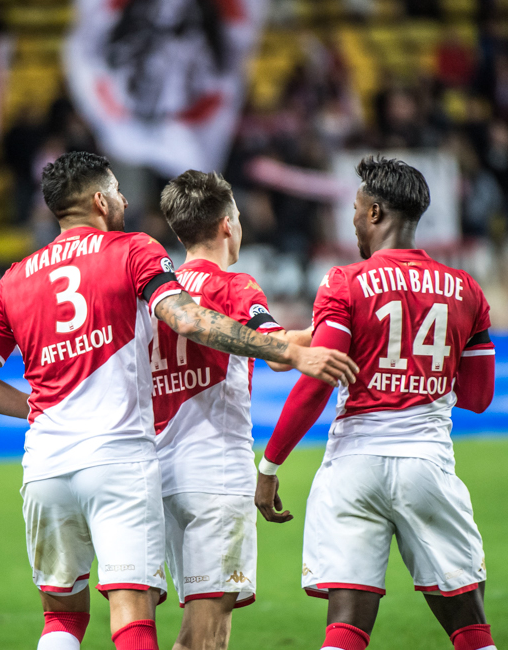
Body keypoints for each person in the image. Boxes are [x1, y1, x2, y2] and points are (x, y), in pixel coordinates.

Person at [0, 151, 357, 650]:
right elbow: (191, 320)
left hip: (53, 464)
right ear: (100, 200)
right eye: (118, 191)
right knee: (147, 621)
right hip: (140, 463)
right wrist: (303, 345)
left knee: (61, 618)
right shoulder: (136, 255)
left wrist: (41, 408)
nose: (126, 200)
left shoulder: (14, 278)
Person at [256, 155, 500, 650]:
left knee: (346, 628)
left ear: (374, 212)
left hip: (355, 466)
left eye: (355, 208)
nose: (352, 219)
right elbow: (478, 397)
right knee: (471, 629)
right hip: (427, 463)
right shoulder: (466, 290)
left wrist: (269, 466)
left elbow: (317, 381)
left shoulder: (345, 282)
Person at [152, 170, 312, 650]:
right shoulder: (234, 286)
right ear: (227, 224)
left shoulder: (157, 294)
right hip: (215, 473)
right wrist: (338, 324)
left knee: (196, 634)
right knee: (207, 639)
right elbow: (277, 351)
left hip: (159, 474)